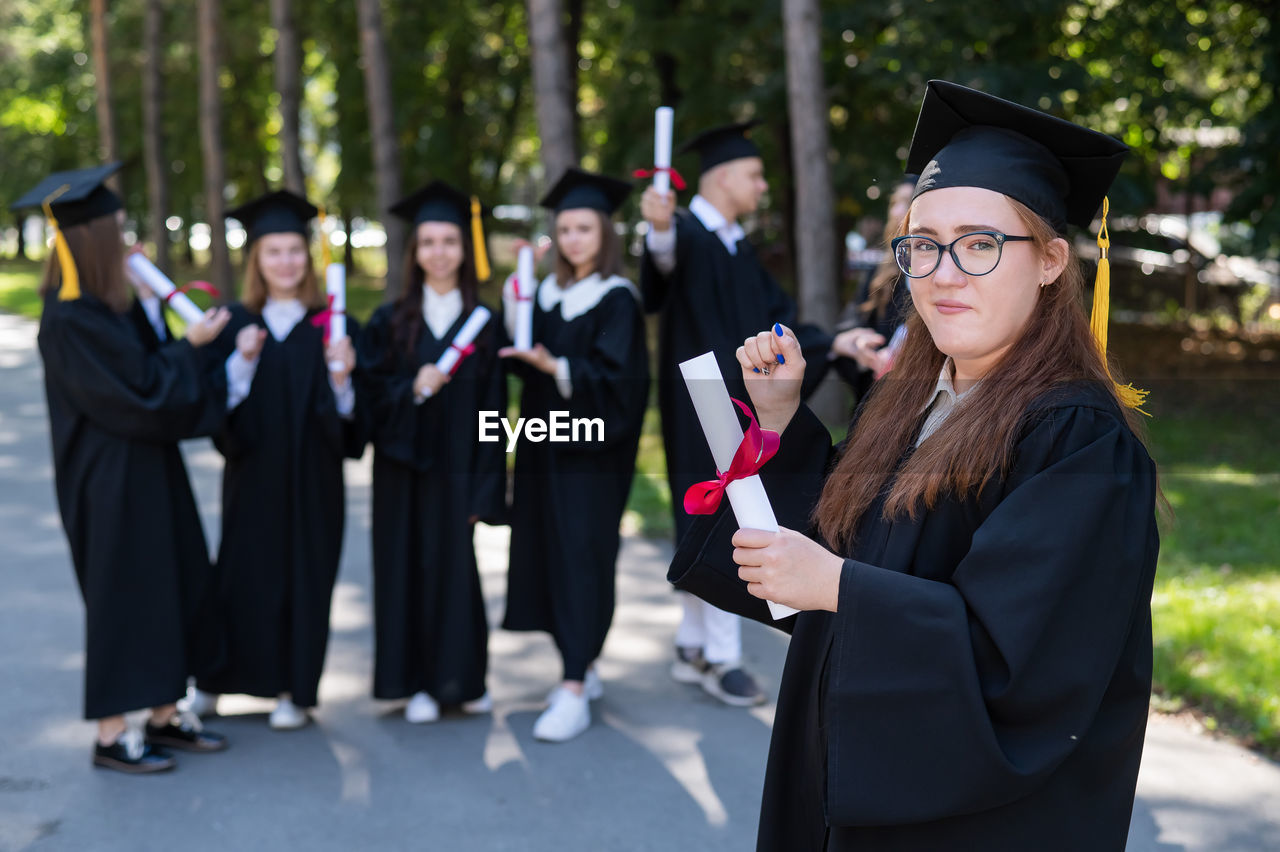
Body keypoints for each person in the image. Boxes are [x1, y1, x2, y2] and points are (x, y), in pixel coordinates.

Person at [669, 80, 1160, 850]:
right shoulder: (908, 403)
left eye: (979, 243)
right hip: (846, 780)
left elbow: (1021, 663)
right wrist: (778, 423)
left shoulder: (1077, 441)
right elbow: (842, 538)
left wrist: (837, 587)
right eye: (921, 244)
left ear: (1052, 262)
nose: (941, 271)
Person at [21, 164, 231, 772]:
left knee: (171, 585)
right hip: (106, 482)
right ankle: (113, 733)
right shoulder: (68, 321)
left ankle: (165, 715)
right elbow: (140, 395)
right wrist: (190, 348)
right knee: (124, 599)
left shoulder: (106, 308)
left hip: (149, 470)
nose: (129, 241)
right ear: (93, 242)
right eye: (119, 230)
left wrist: (149, 307)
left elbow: (147, 364)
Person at [639, 120, 831, 707]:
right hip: (701, 403)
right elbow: (663, 260)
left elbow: (780, 319)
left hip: (737, 400)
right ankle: (723, 657)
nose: (763, 186)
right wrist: (660, 225)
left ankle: (694, 643)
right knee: (721, 508)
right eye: (754, 175)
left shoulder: (737, 246)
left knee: (719, 507)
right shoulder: (688, 232)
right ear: (723, 177)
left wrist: (835, 343)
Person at [187, 190, 364, 730]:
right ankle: (217, 682)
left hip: (315, 480)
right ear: (256, 261)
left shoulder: (334, 327)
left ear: (308, 259)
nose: (286, 262)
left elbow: (355, 425)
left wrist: (341, 377)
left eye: (294, 251)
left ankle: (294, 689)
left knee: (308, 576)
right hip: (254, 476)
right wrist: (240, 363)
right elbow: (216, 410)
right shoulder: (236, 324)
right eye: (273, 252)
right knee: (242, 575)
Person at [501, 168, 650, 742]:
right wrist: (515, 298)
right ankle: (578, 666)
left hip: (591, 456)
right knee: (548, 551)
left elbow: (622, 385)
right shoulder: (546, 293)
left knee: (582, 556)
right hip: (545, 449)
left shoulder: (617, 300)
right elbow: (517, 351)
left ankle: (572, 687)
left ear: (604, 233)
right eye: (564, 230)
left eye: (584, 228)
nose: (573, 240)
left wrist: (555, 367)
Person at [358, 181, 507, 723]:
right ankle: (415, 683)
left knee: (455, 571)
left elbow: (497, 411)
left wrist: (487, 484)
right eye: (428, 242)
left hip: (459, 469)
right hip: (402, 469)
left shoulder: (485, 325)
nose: (439, 252)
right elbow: (371, 399)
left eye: (449, 240)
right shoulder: (391, 321)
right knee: (405, 570)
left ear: (464, 249)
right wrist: (412, 389)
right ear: (414, 252)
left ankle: (462, 681)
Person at [831, 174, 917, 399]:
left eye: (907, 202)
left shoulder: (944, 276)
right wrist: (862, 347)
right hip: (878, 400)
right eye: (894, 203)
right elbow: (851, 326)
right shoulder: (879, 274)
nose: (897, 211)